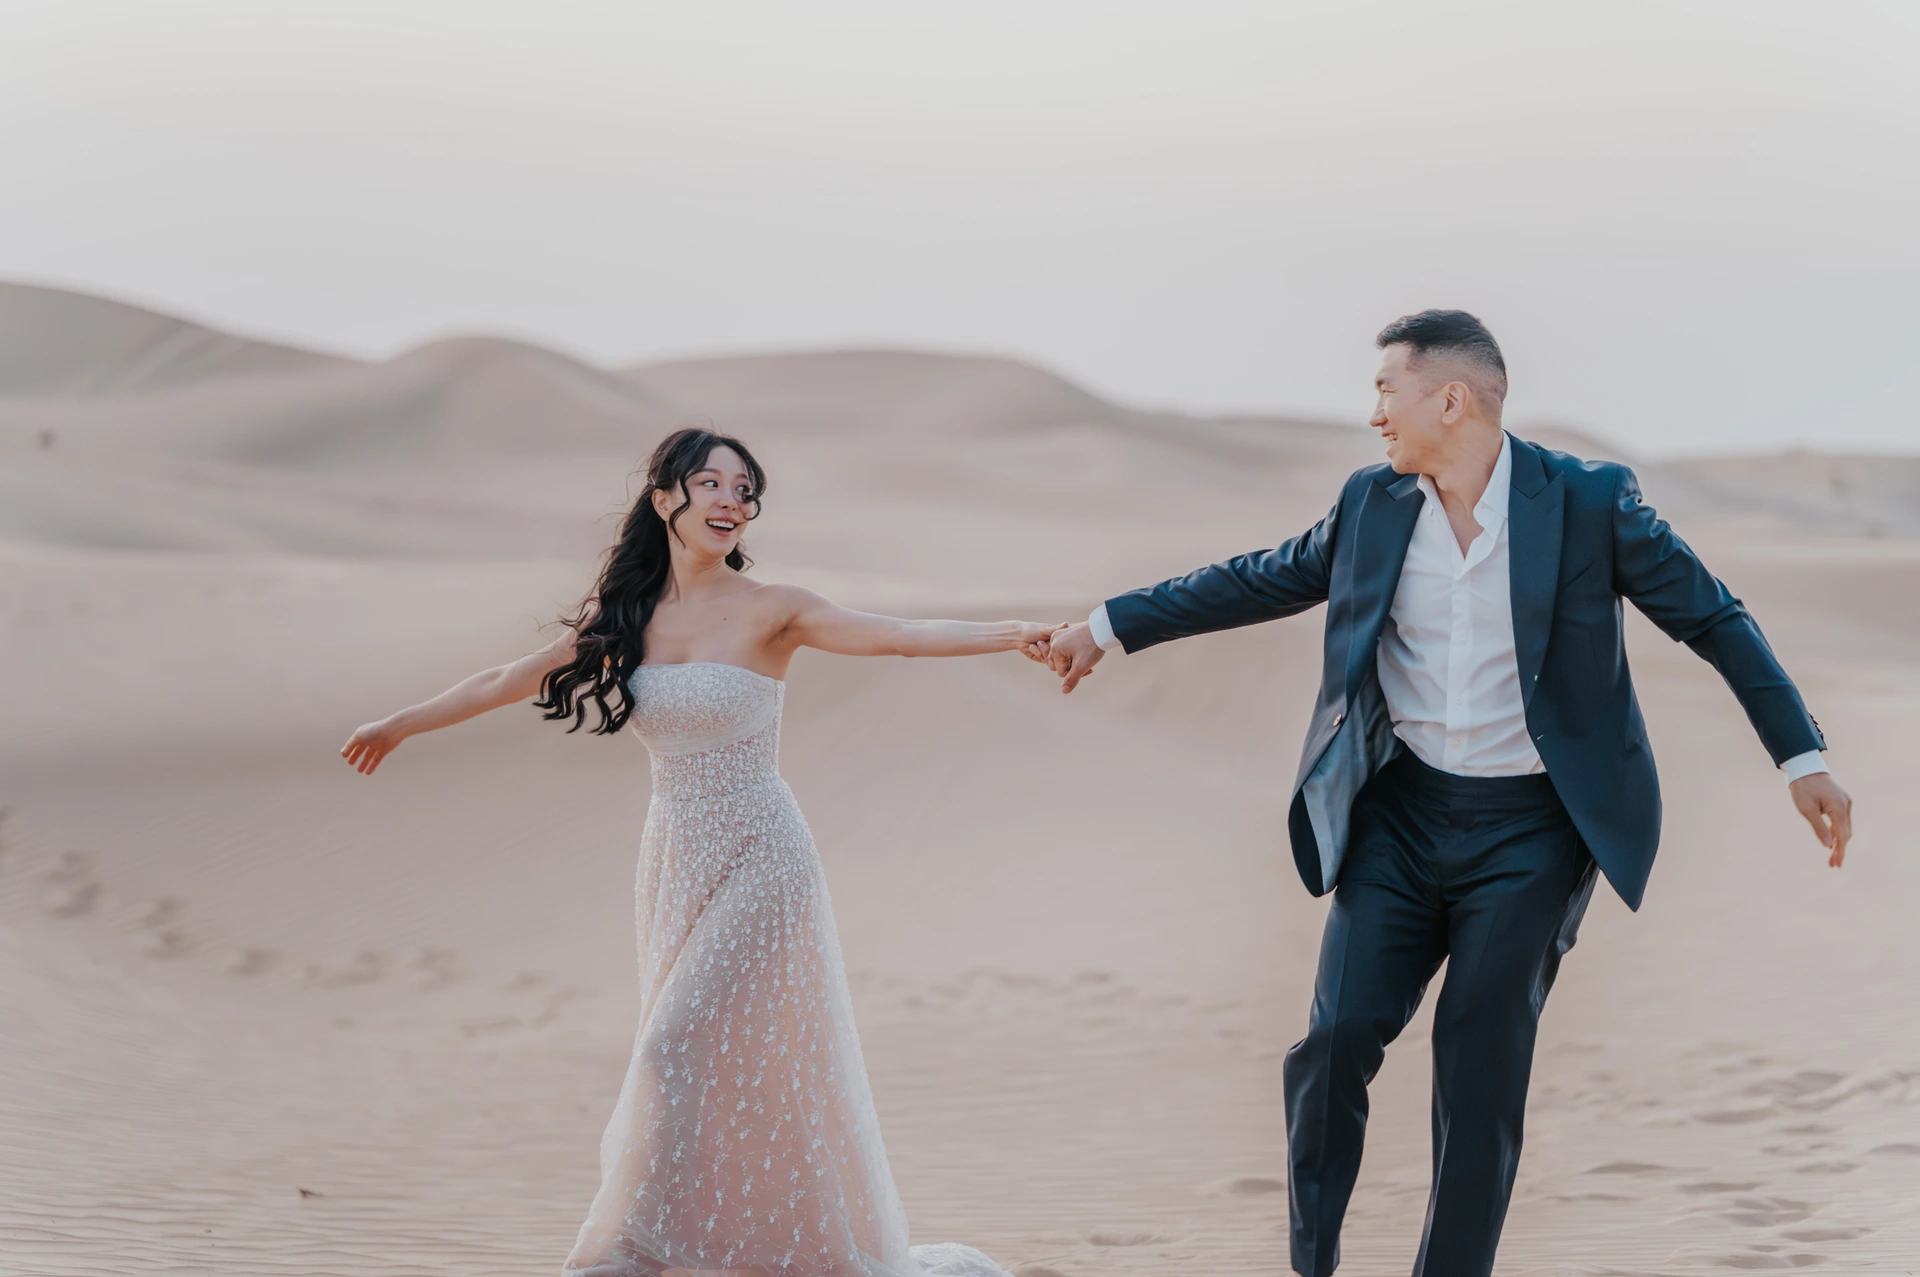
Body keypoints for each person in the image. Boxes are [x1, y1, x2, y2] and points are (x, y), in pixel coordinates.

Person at [1042, 310, 1854, 1277]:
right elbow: (1259, 579)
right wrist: (1110, 623)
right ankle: (1312, 1265)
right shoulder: (1373, 504)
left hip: (1534, 834)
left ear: (1452, 399)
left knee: (1478, 1067)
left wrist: (1800, 756)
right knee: (1334, 1039)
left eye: (1388, 389)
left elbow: (1714, 617)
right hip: (1405, 817)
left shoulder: (1588, 502)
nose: (1375, 412)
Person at [341, 427, 1054, 1277]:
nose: (730, 500)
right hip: (674, 856)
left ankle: (635, 1250)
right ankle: (724, 1241)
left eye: (744, 489)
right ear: (664, 498)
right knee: (721, 1063)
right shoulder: (628, 619)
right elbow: (506, 678)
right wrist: (396, 724)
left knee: (669, 1046)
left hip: (762, 851)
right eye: (710, 482)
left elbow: (896, 632)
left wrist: (1013, 633)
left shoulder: (773, 608)